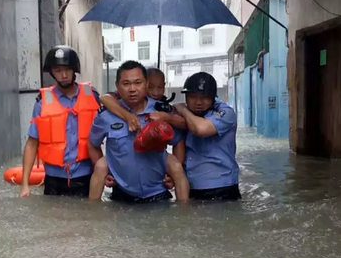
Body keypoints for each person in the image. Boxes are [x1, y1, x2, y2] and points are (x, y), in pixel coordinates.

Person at [88, 61, 190, 203]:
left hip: (158, 194)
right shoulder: (106, 116)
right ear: (117, 86)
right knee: (100, 165)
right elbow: (93, 143)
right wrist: (105, 173)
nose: (132, 89)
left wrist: (172, 174)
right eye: (126, 84)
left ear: (146, 84)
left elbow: (178, 140)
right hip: (121, 195)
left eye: (137, 83)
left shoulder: (161, 112)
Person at [20, 45, 100, 198]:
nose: (64, 75)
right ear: (52, 73)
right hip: (54, 178)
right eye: (57, 70)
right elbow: (32, 143)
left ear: (74, 70)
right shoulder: (42, 103)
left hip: (85, 176)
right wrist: (24, 184)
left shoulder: (93, 97)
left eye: (67, 69)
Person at [174, 72, 241, 201]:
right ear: (186, 97)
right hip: (192, 188)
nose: (198, 102)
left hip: (222, 188)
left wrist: (183, 110)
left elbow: (200, 129)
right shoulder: (185, 117)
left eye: (204, 97)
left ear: (213, 97)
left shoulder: (226, 113)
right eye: (193, 97)